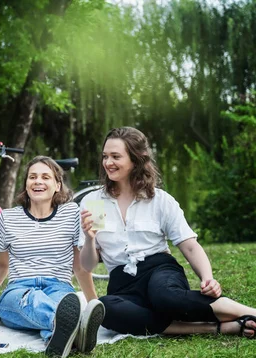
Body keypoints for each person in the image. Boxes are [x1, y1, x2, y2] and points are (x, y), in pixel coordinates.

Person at [79, 126, 256, 338]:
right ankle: (217, 328)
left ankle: (250, 313)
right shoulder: (94, 202)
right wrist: (90, 241)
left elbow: (189, 246)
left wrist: (207, 278)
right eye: (105, 156)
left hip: (160, 272)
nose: (108, 163)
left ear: (136, 159)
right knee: (106, 308)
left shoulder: (159, 199)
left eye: (116, 156)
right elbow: (88, 265)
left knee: (165, 298)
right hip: (122, 283)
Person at [0, 156, 105, 358]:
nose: (38, 181)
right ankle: (74, 330)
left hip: (59, 287)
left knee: (60, 305)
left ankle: (59, 338)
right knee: (32, 301)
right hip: (18, 289)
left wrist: (93, 301)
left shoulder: (71, 213)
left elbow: (79, 266)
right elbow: (2, 266)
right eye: (32, 177)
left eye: (46, 177)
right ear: (26, 184)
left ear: (57, 185)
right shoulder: (8, 218)